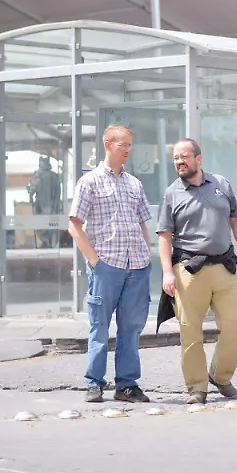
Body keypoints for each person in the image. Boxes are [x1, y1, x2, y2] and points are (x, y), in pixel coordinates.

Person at [157, 139, 237, 405]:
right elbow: (164, 236)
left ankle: (220, 376)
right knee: (190, 333)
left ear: (199, 159)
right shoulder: (171, 193)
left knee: (236, 326)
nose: (179, 162)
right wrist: (167, 272)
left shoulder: (222, 184)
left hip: (226, 265)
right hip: (189, 269)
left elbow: (236, 221)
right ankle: (196, 387)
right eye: (175, 158)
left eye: (184, 157)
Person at [68, 125, 154, 405]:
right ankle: (94, 383)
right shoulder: (90, 182)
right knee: (99, 326)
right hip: (107, 265)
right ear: (107, 144)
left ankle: (127, 385)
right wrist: (95, 260)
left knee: (131, 327)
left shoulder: (134, 184)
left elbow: (142, 222)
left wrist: (146, 252)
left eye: (130, 145)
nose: (128, 150)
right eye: (123, 145)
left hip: (137, 265)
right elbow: (75, 226)